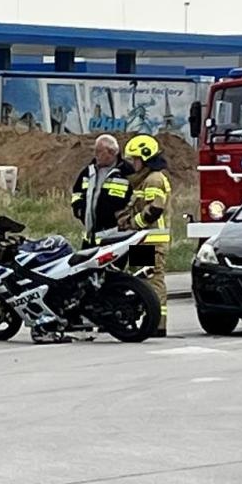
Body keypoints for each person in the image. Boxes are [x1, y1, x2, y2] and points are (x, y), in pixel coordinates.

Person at [119, 133, 173, 338]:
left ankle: (158, 324)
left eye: (135, 159)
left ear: (145, 158)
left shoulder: (154, 179)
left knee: (153, 281)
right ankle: (150, 320)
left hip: (152, 241)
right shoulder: (144, 180)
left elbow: (154, 209)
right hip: (142, 241)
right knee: (142, 282)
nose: (133, 164)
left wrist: (133, 224)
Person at [69, 134, 133, 246]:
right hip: (91, 236)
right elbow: (77, 192)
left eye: (99, 151)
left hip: (116, 236)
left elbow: (136, 200)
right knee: (85, 258)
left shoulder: (127, 172)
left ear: (112, 152)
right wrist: (79, 209)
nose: (95, 154)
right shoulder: (89, 171)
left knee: (138, 257)